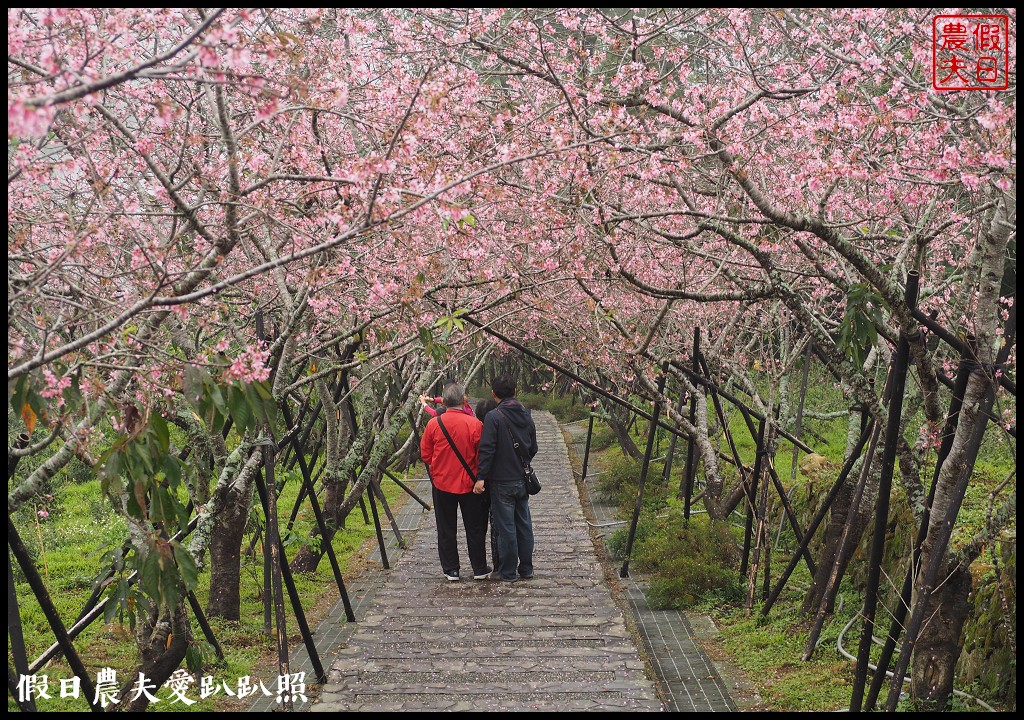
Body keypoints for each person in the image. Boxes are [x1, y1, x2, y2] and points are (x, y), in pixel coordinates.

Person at [419, 382, 490, 582]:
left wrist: (438, 466)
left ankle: (451, 569)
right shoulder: (475, 424)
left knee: (446, 527)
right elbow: (482, 455)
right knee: (475, 527)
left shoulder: (434, 424)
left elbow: (425, 453)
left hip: (442, 483)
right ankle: (479, 567)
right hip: (470, 485)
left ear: (446, 401)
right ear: (462, 400)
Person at [474, 375, 537, 582]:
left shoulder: (494, 417)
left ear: (494, 393)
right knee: (524, 524)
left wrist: (481, 477)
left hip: (501, 481)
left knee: (506, 527)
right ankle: (526, 568)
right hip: (522, 478)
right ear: (515, 392)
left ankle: (509, 571)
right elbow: (533, 447)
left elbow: (487, 449)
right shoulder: (526, 414)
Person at [474, 397, 500, 570]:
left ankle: (480, 564)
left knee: (478, 525)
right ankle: (499, 562)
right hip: (498, 480)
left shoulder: (475, 429)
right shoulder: (500, 427)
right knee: (500, 524)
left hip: (478, 483)